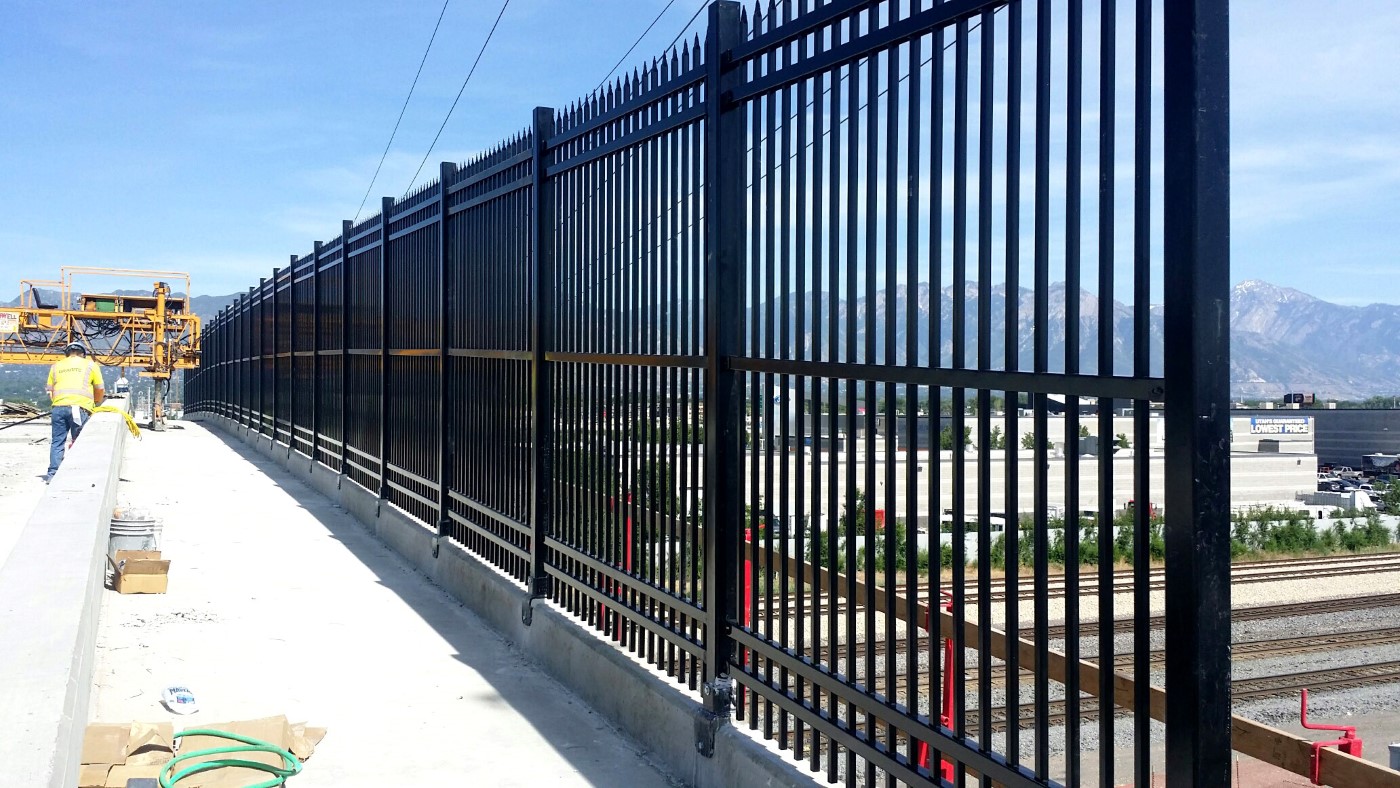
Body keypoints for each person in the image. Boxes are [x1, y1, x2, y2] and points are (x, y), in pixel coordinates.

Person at [45, 342, 105, 482]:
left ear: (67, 353)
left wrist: (59, 401)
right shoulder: (90, 365)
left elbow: (49, 390)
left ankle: (53, 474)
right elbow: (100, 388)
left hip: (58, 408)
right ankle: (76, 475)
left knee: (57, 442)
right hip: (80, 408)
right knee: (79, 442)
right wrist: (94, 403)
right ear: (83, 354)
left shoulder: (56, 366)